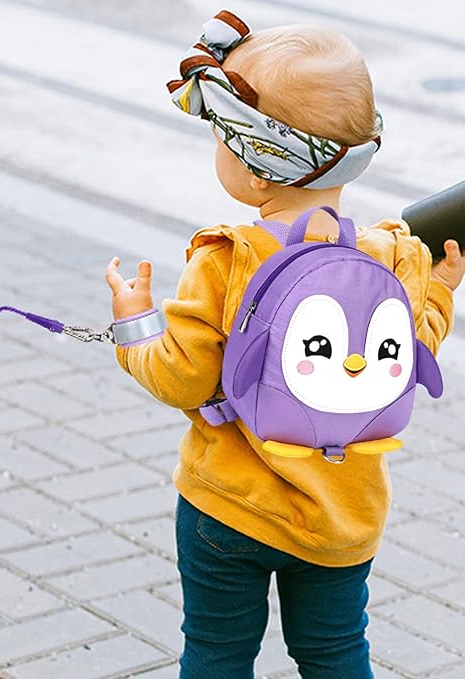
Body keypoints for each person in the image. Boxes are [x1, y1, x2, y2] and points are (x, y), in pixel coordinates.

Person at [105, 10, 464, 679]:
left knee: (217, 653)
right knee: (336, 653)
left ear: (259, 171)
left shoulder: (225, 259)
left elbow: (183, 378)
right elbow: (415, 347)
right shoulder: (393, 257)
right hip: (342, 515)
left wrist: (133, 325)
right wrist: (441, 288)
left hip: (229, 509)